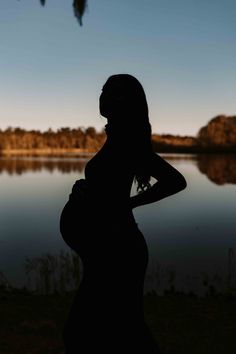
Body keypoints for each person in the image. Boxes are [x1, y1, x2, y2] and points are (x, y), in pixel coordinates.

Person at [60, 74, 187, 354]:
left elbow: (176, 181)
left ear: (131, 103)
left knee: (89, 333)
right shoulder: (117, 136)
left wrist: (129, 204)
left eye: (118, 92)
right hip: (106, 249)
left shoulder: (127, 140)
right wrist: (84, 188)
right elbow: (109, 184)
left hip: (118, 251)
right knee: (119, 330)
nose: (107, 96)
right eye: (105, 90)